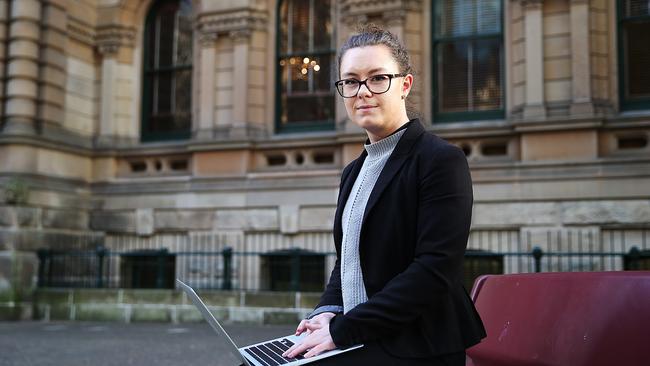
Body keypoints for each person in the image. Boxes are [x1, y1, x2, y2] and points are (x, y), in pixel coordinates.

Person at [282, 24, 486, 365]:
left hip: (415, 344)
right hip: (361, 336)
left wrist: (343, 330)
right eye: (351, 81)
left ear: (404, 85)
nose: (362, 91)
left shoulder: (440, 160)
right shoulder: (353, 171)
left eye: (377, 78)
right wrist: (328, 313)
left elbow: (434, 271)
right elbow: (348, 260)